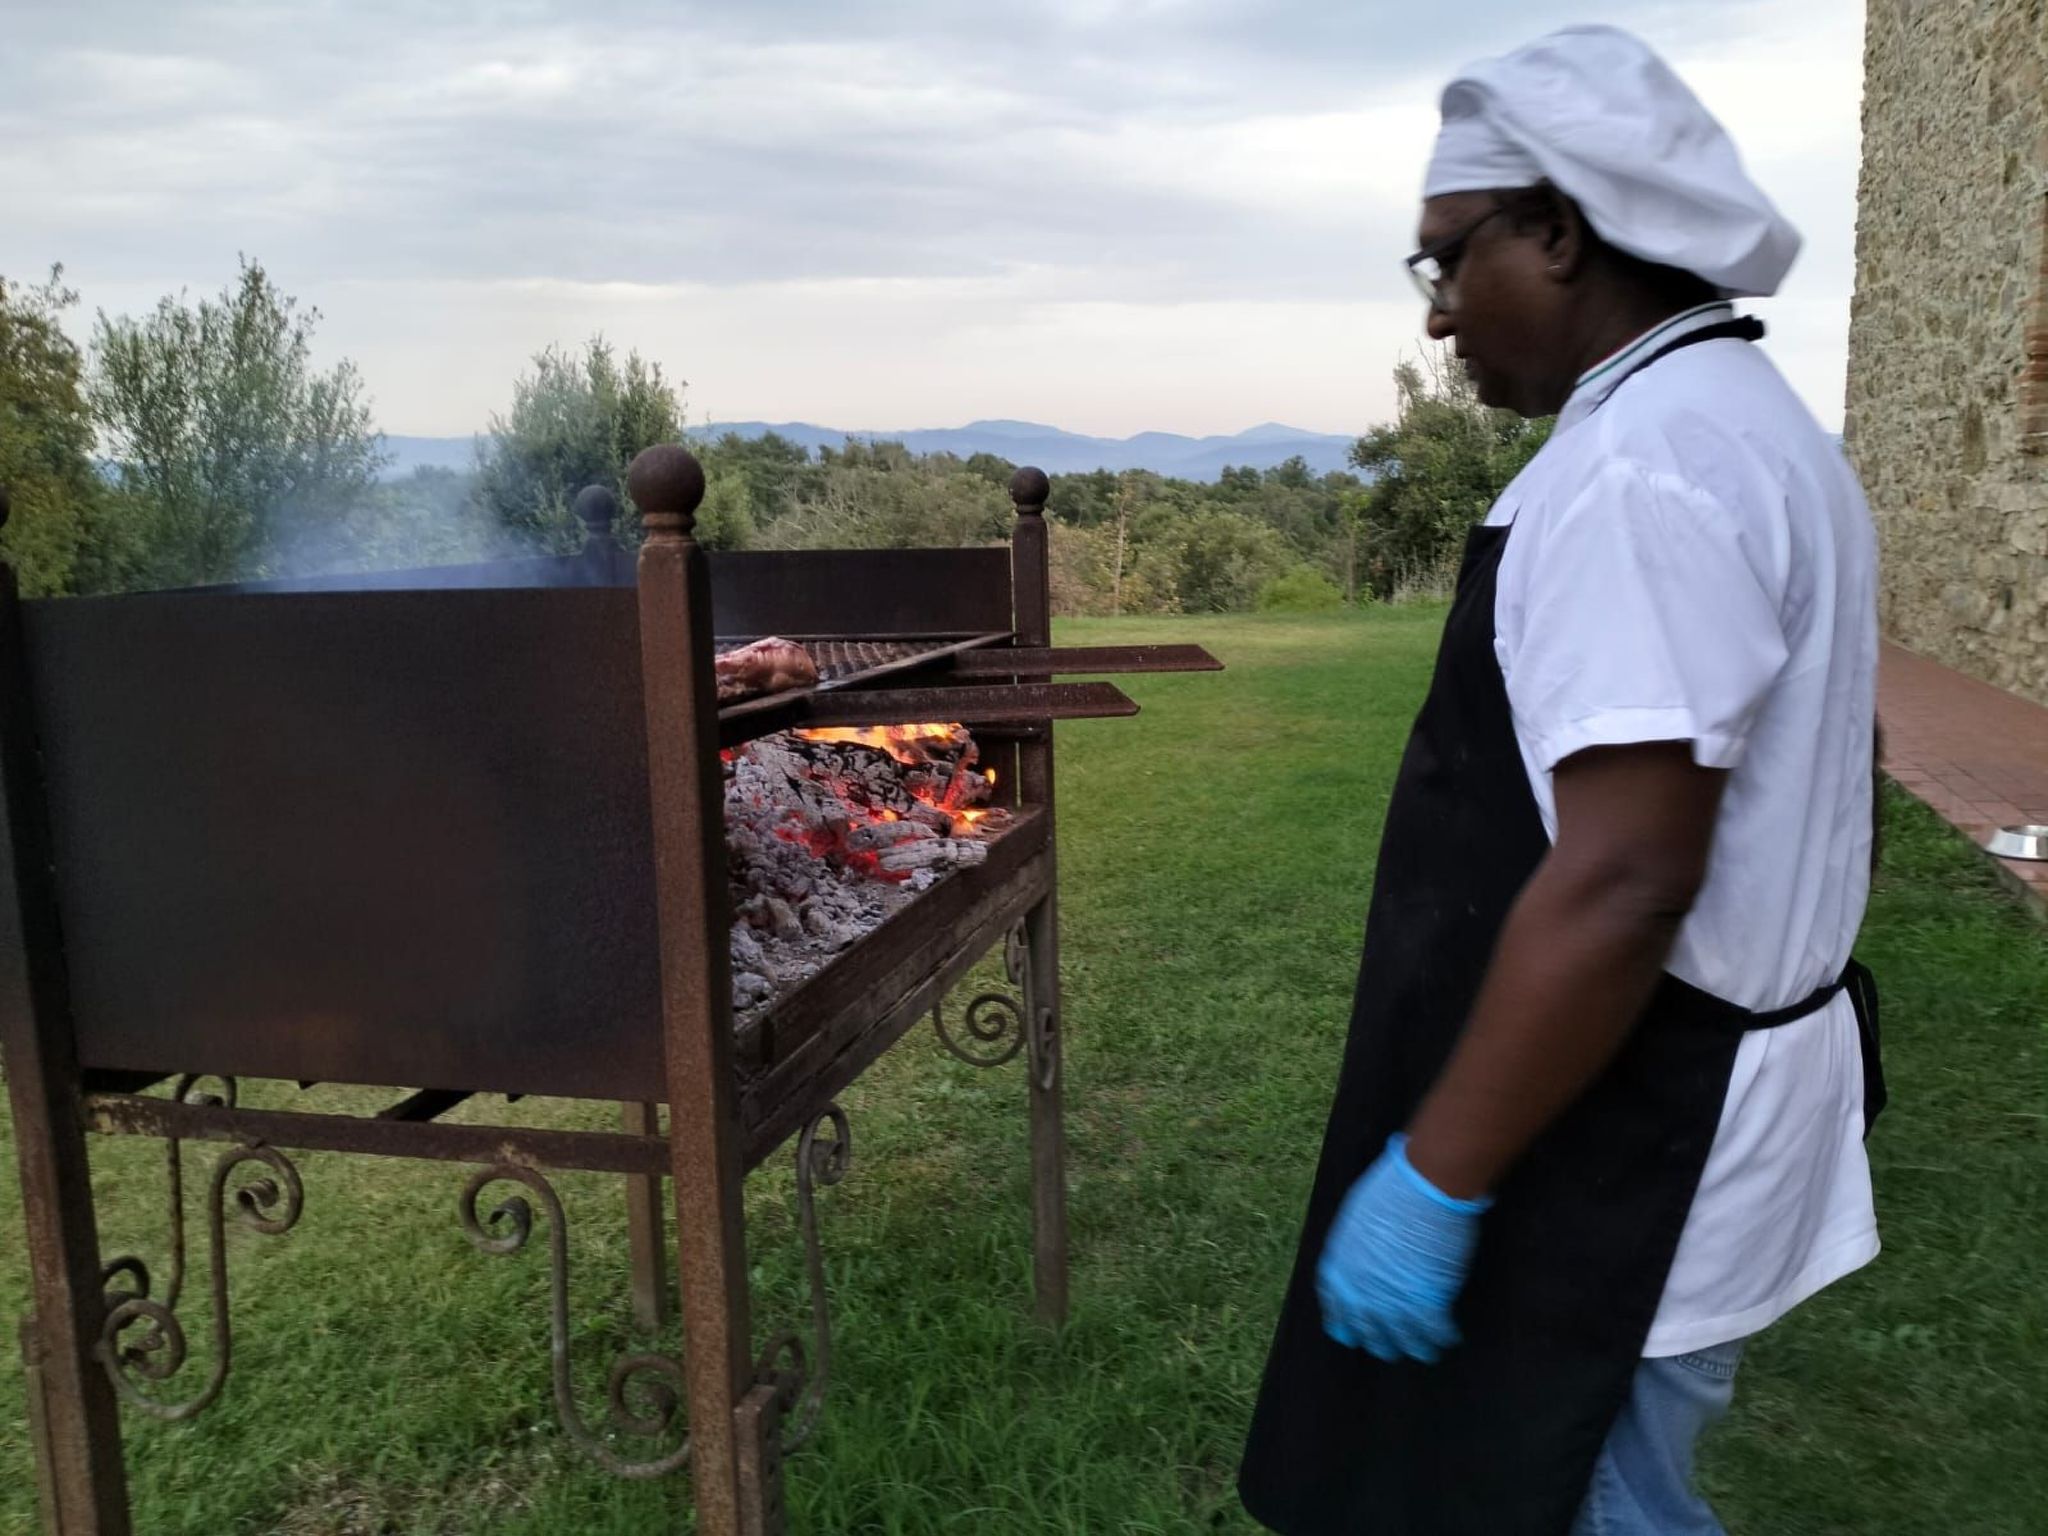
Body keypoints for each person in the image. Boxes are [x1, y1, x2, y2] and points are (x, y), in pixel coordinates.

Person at [1237, 26, 1884, 1536]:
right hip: (1670, 1097)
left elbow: (1624, 875)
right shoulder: (1743, 426)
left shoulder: (1646, 471)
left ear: (1558, 229)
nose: (1443, 317)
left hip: (1638, 1125)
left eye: (1448, 262)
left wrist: (1436, 1178)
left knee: (1584, 1497)